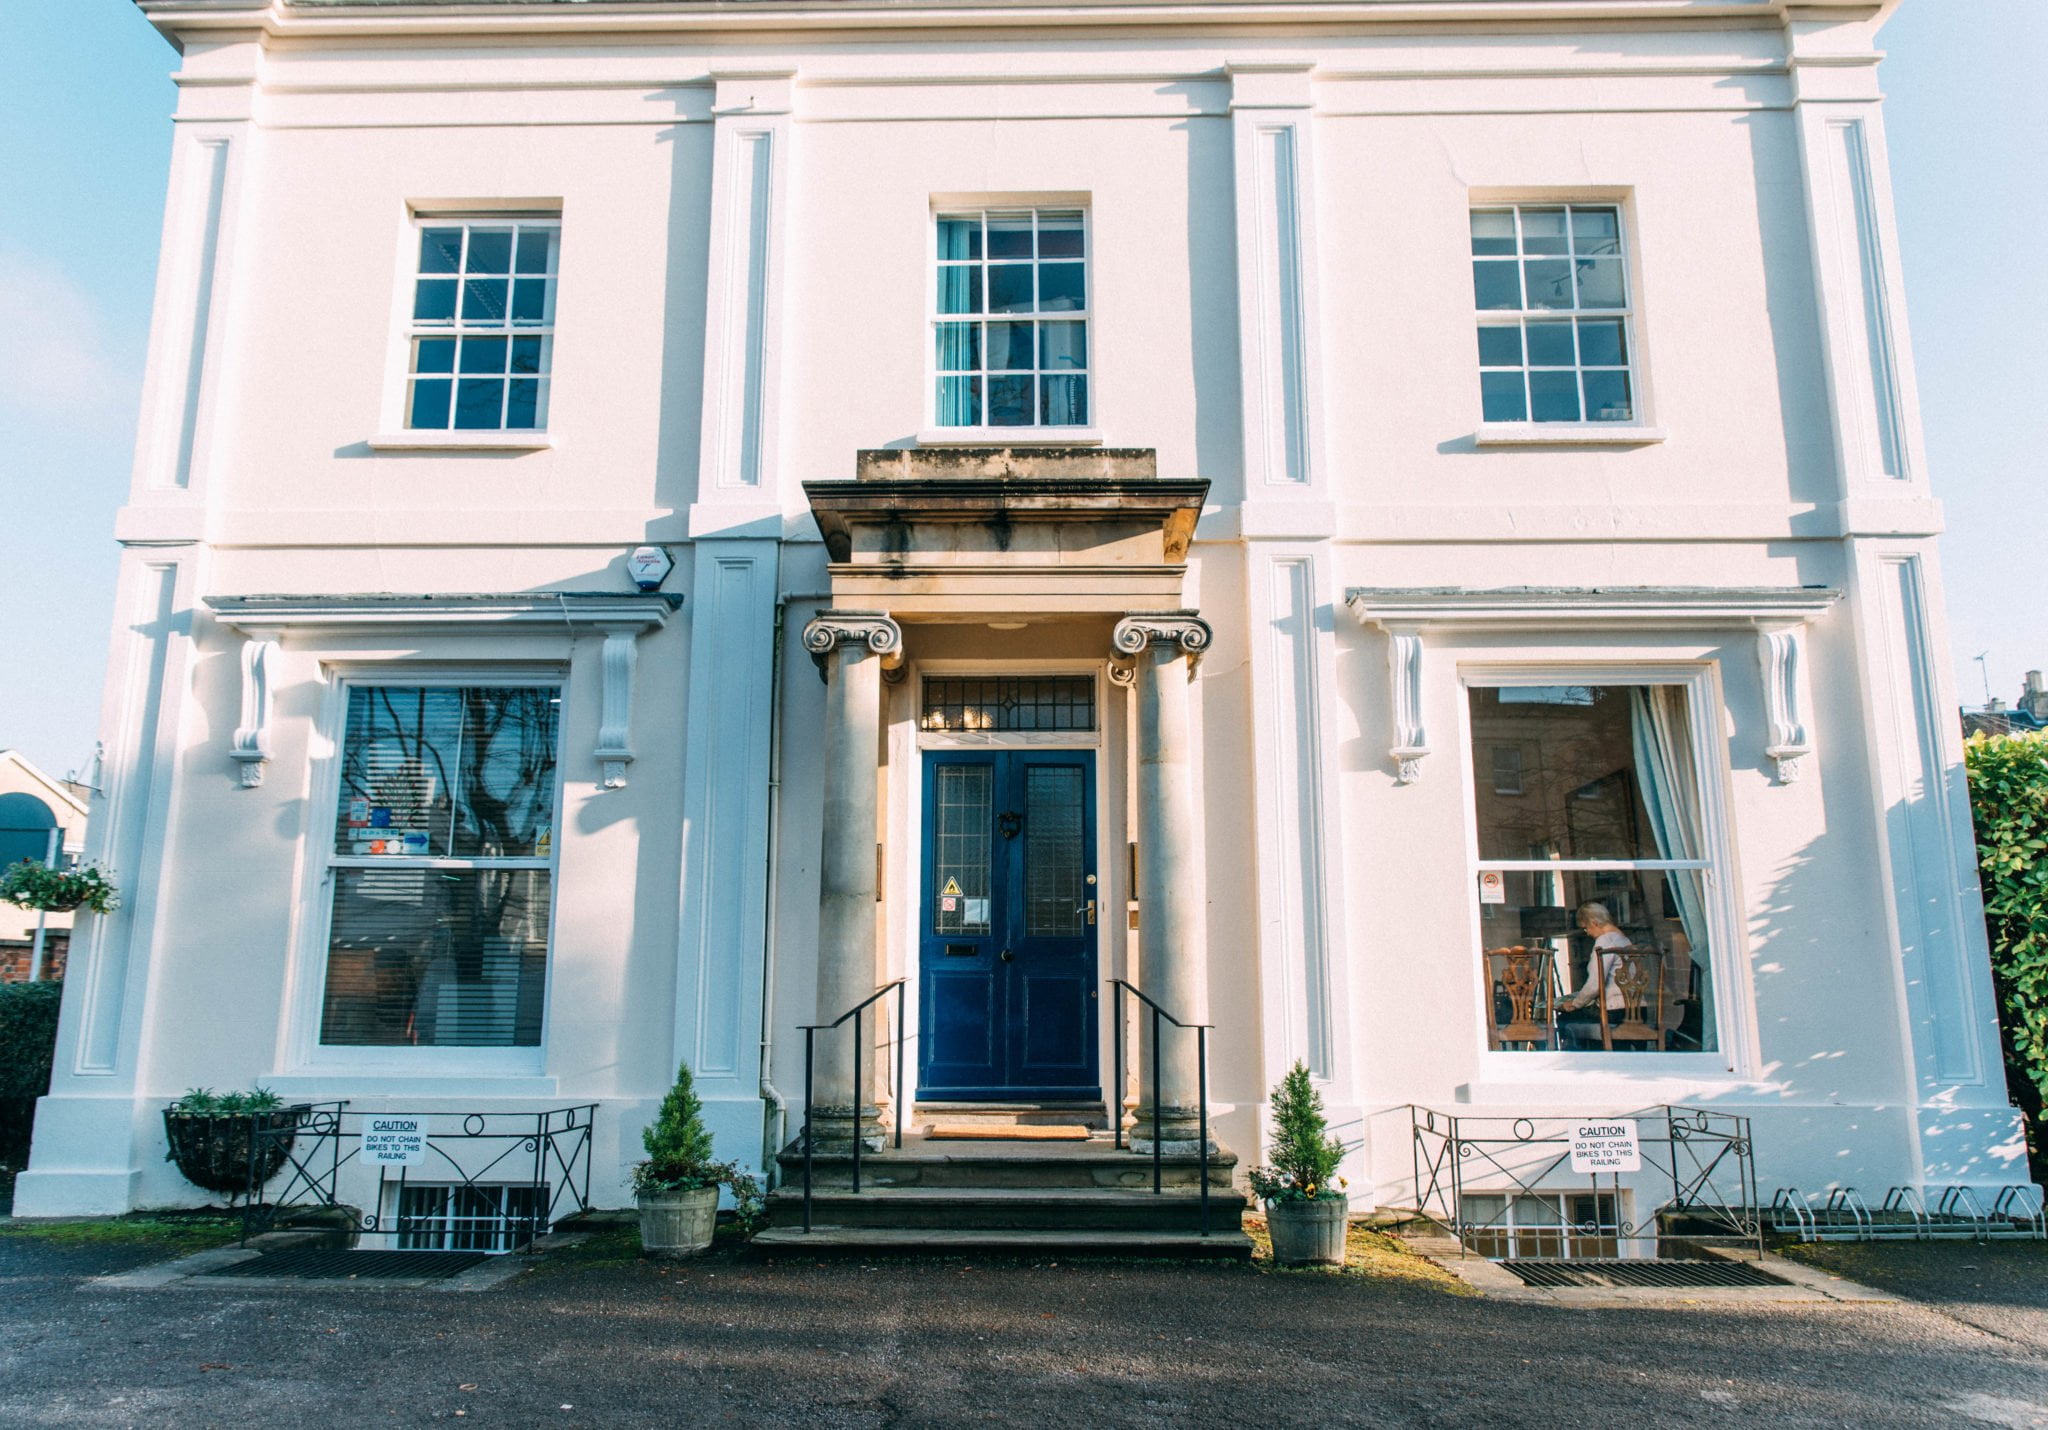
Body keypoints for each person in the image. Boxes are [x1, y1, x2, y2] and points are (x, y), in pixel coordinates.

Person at [1556, 902, 1633, 1046]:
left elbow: (1595, 985)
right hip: (1637, 1010)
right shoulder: (1625, 940)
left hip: (1613, 1012)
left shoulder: (1605, 941)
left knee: (1565, 1017)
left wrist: (1575, 1004)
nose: (1586, 932)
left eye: (1586, 927)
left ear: (1595, 923)